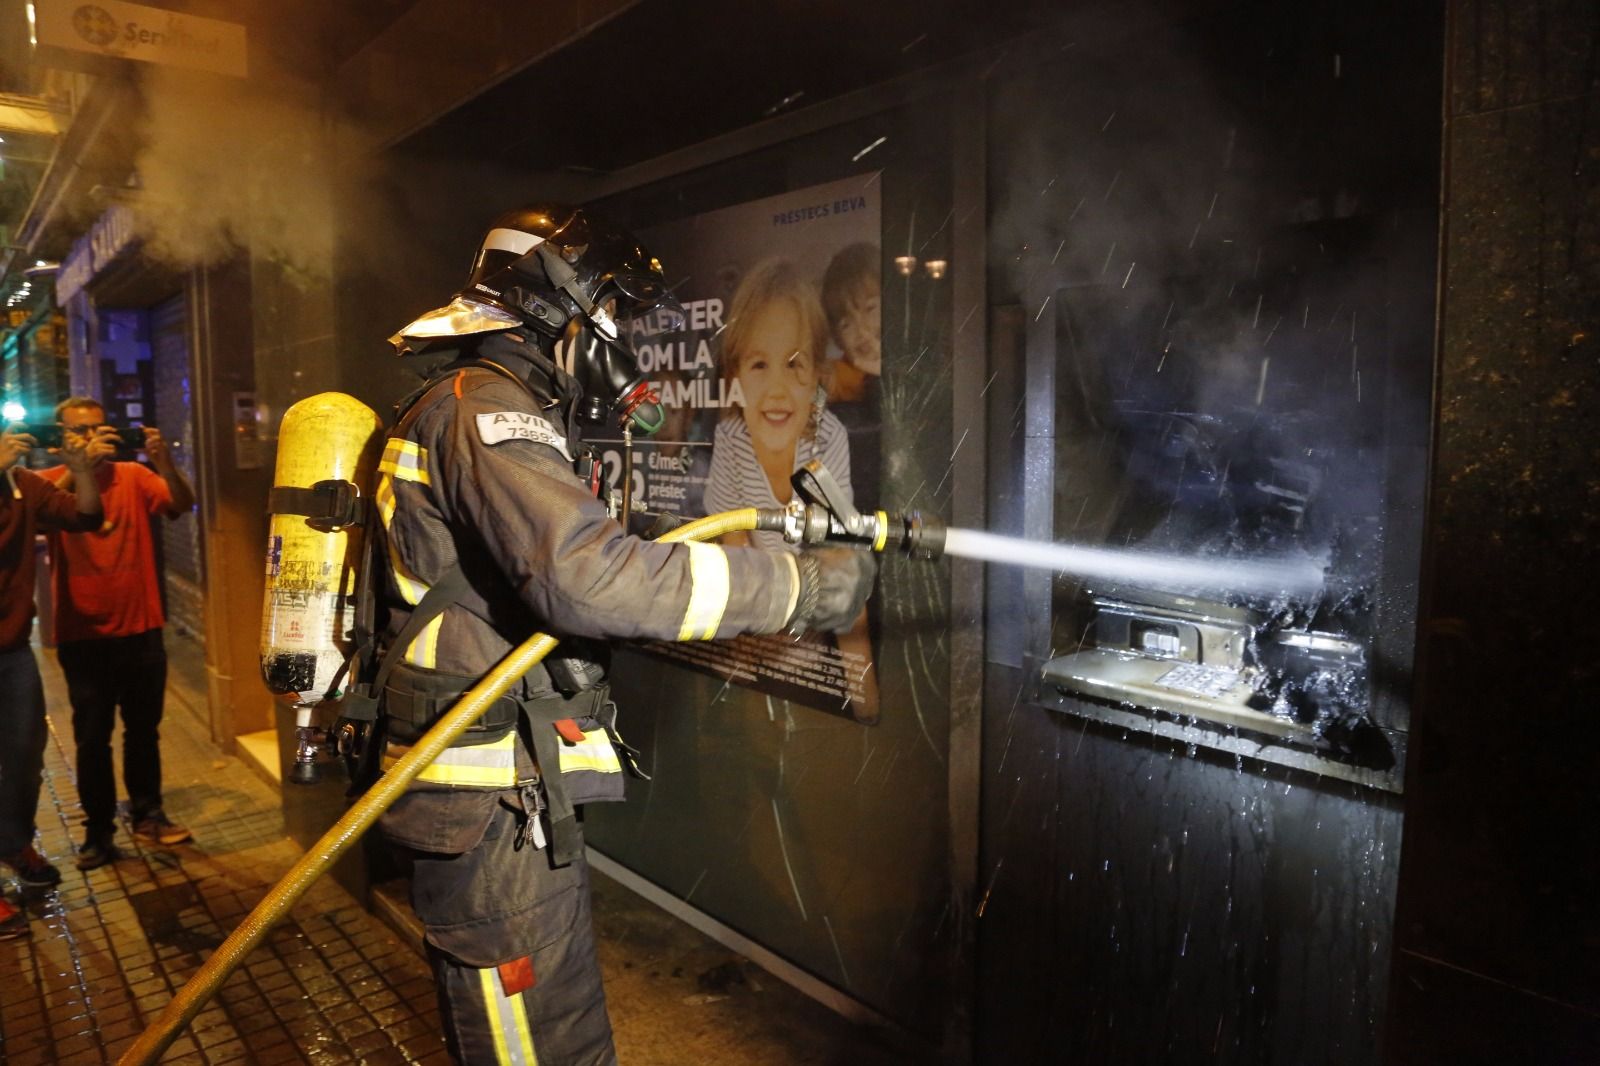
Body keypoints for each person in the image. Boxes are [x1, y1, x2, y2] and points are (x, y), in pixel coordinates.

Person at [376, 203, 874, 1065]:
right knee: (538, 1049)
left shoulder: (487, 406)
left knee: (561, 1036)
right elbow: (592, 580)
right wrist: (799, 586)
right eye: (609, 308)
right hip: (487, 808)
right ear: (549, 305)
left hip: (505, 799)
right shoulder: (482, 413)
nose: (619, 333)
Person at [704, 257, 879, 722]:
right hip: (753, 634)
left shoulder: (827, 441)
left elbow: (843, 579)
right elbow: (734, 554)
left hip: (812, 650)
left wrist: (870, 715)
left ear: (818, 374)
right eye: (759, 364)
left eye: (794, 364)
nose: (778, 389)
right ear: (736, 375)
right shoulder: (731, 439)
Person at [42, 398, 197, 870]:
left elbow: (181, 504)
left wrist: (165, 464)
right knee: (92, 738)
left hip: (141, 627)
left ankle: (148, 814)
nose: (91, 437)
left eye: (97, 428)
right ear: (61, 435)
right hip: (82, 632)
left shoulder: (132, 475)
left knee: (143, 731)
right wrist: (78, 471)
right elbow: (43, 517)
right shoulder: (49, 481)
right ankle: (98, 832)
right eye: (79, 430)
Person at [0, 422, 107, 935]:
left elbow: (85, 516)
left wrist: (82, 472)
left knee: (24, 754)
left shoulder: (24, 484)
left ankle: (13, 843)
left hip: (12, 649)